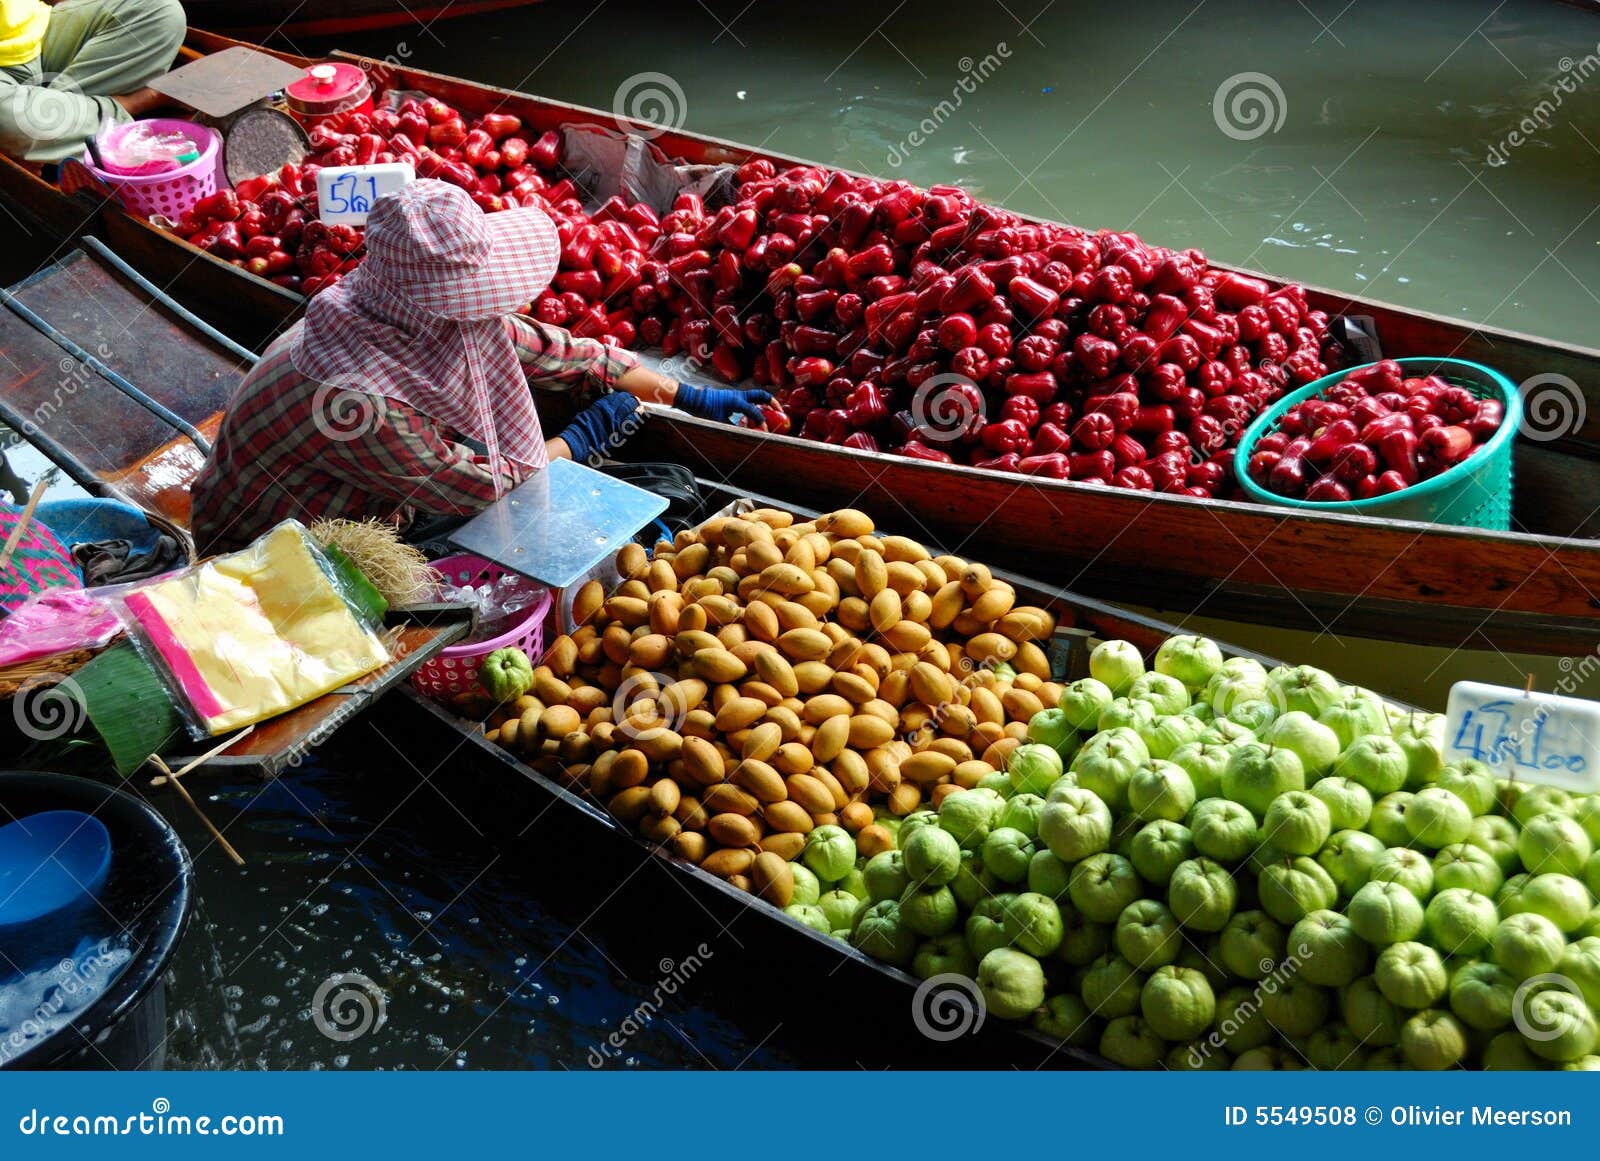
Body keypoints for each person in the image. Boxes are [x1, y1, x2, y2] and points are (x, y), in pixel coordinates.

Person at [190, 180, 769, 556]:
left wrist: (681, 393)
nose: (490, 308)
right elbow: (487, 489)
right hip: (266, 553)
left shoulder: (379, 302)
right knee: (510, 528)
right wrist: (579, 438)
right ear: (440, 303)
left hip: (365, 494)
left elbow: (553, 350)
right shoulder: (357, 401)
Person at [0, 0, 186, 164]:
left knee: (161, 11)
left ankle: (52, 139)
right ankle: (133, 104)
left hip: (37, 28)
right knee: (6, 121)